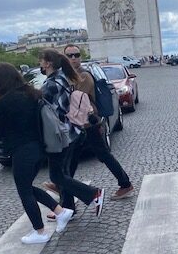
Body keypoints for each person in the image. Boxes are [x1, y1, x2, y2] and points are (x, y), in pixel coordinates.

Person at [0, 63, 74, 244]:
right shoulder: (32, 94)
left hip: (22, 151)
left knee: (24, 191)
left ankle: (40, 231)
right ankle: (61, 211)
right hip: (40, 148)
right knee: (27, 187)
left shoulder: (4, 102)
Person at [44, 45, 133, 216]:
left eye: (77, 55)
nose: (74, 58)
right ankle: (66, 199)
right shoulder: (67, 77)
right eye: (70, 55)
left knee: (102, 156)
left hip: (88, 125)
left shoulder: (82, 76)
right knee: (70, 164)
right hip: (77, 127)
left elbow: (73, 101)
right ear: (63, 58)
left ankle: (125, 183)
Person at [38, 49, 105, 216]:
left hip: (59, 136)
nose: (40, 63)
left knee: (57, 176)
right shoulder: (62, 78)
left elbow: (43, 110)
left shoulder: (50, 85)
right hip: (72, 132)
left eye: (41, 60)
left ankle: (93, 193)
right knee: (64, 173)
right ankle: (68, 208)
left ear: (48, 63)